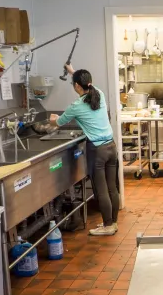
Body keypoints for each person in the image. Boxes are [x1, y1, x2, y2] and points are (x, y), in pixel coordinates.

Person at [50, 64, 119, 236]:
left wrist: (52, 119)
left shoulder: (76, 106)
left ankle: (108, 225)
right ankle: (114, 222)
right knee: (112, 188)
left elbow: (58, 123)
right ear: (90, 82)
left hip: (98, 150)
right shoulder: (99, 94)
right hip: (111, 146)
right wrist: (73, 72)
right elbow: (85, 84)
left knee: (101, 190)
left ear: (76, 87)